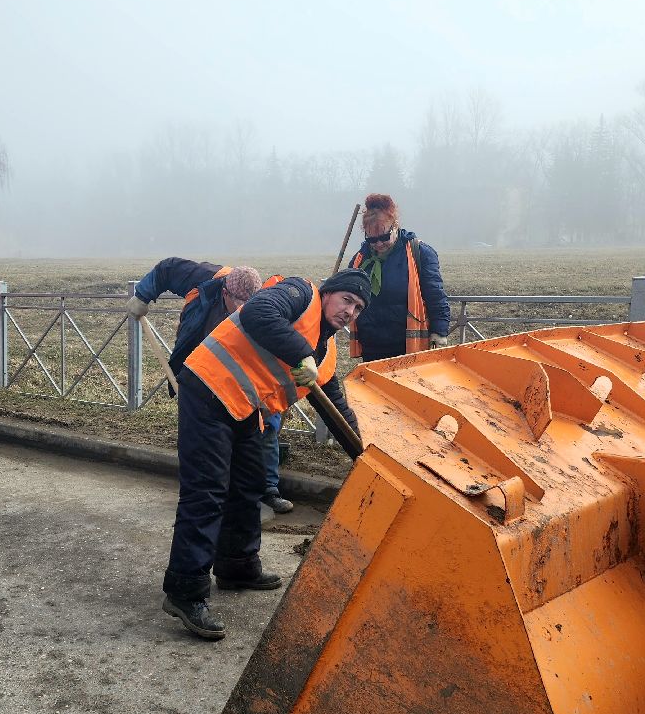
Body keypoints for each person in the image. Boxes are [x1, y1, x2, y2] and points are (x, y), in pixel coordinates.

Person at [159, 269, 369, 640]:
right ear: (328, 293)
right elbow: (258, 314)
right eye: (346, 300)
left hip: (244, 407)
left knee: (249, 485)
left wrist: (364, 455)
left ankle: (237, 566)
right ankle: (184, 591)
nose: (350, 312)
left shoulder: (327, 352)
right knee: (207, 492)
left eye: (358, 308)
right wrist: (300, 354)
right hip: (207, 388)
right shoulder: (298, 293)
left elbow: (335, 407)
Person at [128, 259, 294, 514]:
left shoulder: (269, 304)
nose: (242, 311)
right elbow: (167, 269)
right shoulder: (204, 279)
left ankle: (268, 490)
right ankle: (204, 490)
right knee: (205, 434)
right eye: (238, 304)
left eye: (248, 306)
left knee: (266, 426)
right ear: (225, 292)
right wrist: (143, 296)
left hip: (248, 373)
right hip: (202, 371)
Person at [346, 193, 450, 361]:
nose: (378, 243)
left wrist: (439, 331)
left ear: (395, 226)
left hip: (407, 346)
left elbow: (435, 294)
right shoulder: (360, 258)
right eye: (372, 239)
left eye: (384, 237)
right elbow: (347, 291)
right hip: (371, 345)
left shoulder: (420, 253)